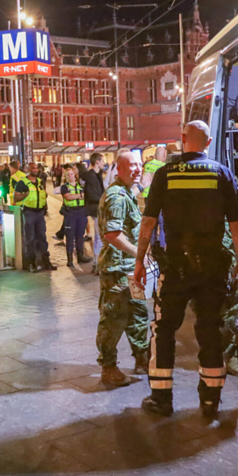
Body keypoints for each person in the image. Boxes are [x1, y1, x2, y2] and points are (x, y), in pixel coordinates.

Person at [134, 121, 238, 418]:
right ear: (208, 142)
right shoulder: (221, 173)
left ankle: (162, 399)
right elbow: (236, 225)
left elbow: (148, 223)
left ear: (182, 139)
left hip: (176, 268)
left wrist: (139, 263)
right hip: (212, 268)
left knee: (164, 328)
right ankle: (210, 401)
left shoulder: (164, 174)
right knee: (209, 329)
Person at [95, 152, 149, 387]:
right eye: (132, 165)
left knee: (138, 313)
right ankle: (108, 368)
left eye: (140, 164)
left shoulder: (127, 191)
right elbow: (112, 235)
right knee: (114, 319)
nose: (138, 169)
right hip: (117, 271)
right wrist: (140, 253)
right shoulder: (116, 196)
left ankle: (142, 359)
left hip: (131, 270)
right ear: (119, 168)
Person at [11, 161, 54, 272]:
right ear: (28, 170)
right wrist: (25, 194)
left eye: (36, 168)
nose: (35, 170)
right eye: (33, 168)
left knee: (42, 238)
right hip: (29, 213)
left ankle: (45, 261)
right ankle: (31, 263)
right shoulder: (22, 183)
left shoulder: (39, 182)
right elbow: (16, 198)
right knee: (29, 239)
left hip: (39, 213)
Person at [60, 165, 92, 267]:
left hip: (81, 213)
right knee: (69, 237)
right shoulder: (64, 187)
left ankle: (80, 257)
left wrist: (76, 196)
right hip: (70, 214)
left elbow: (87, 196)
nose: (70, 176)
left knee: (80, 236)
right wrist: (80, 196)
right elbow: (68, 197)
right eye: (68, 174)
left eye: (71, 174)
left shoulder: (81, 186)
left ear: (75, 175)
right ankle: (69, 260)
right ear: (65, 176)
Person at [84, 153, 106, 274]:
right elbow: (92, 194)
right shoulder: (92, 176)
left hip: (97, 209)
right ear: (97, 162)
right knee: (99, 237)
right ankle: (97, 263)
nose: (104, 164)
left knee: (99, 237)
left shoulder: (96, 175)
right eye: (102, 161)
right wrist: (104, 199)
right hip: (96, 209)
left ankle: (96, 263)